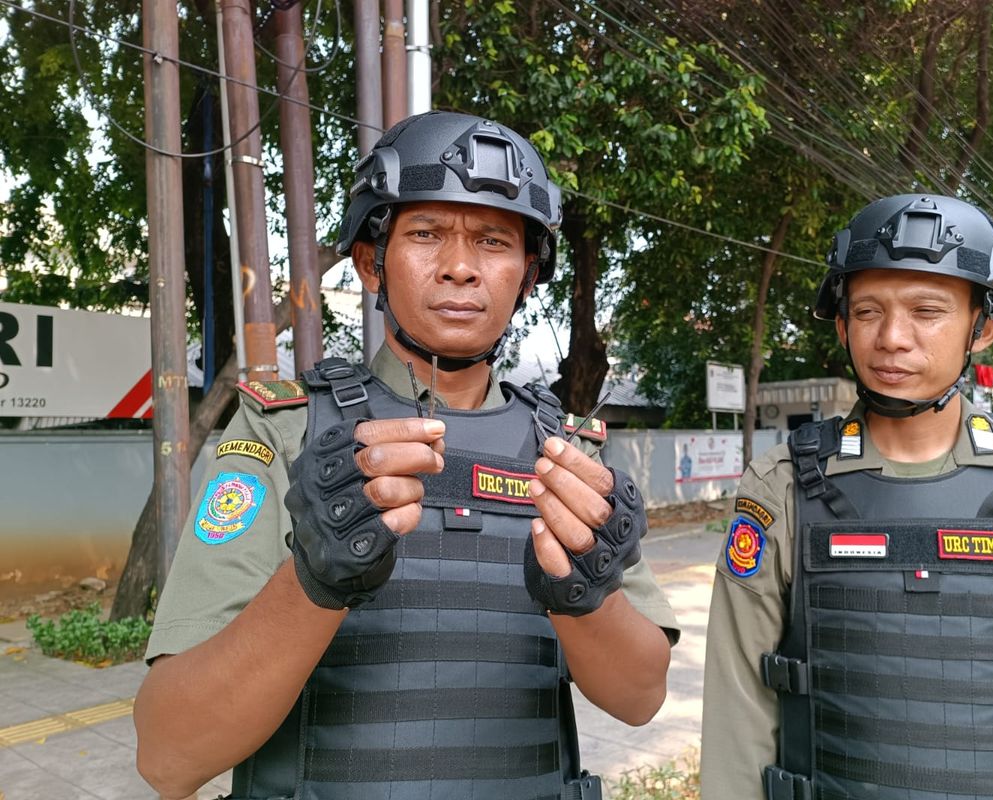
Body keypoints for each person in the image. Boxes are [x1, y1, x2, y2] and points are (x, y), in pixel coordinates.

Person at [135, 111, 678, 800]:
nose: (459, 267)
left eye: (492, 240)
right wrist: (314, 581)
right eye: (426, 234)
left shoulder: (565, 456)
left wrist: (587, 595)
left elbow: (640, 699)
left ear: (528, 276)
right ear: (370, 263)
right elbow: (168, 755)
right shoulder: (289, 434)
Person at [700, 194, 993, 800]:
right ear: (842, 323)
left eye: (927, 310)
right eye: (868, 311)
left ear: (985, 326)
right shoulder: (781, 486)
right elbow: (740, 716)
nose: (893, 338)